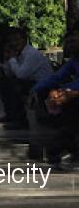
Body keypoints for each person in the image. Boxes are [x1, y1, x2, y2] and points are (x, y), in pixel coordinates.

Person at [31, 28, 79, 166]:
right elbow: (57, 77)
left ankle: (61, 149)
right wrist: (36, 90)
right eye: (68, 42)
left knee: (72, 105)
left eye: (73, 41)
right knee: (44, 94)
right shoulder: (74, 61)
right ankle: (59, 146)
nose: (70, 45)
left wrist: (68, 93)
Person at [0, 27, 53, 130]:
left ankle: (20, 121)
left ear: (25, 40)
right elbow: (9, 74)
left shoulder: (31, 54)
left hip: (44, 85)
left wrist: (12, 59)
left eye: (17, 39)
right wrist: (7, 59)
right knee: (4, 81)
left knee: (14, 85)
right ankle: (10, 115)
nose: (14, 43)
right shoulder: (18, 54)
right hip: (32, 82)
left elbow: (21, 75)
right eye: (12, 40)